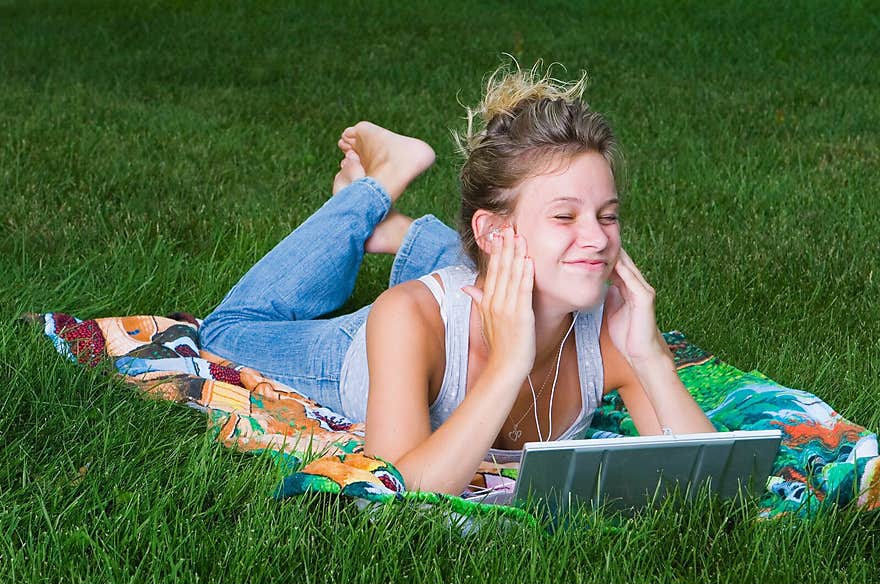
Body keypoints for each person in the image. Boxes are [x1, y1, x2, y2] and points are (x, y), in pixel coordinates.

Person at [199, 62, 716, 496]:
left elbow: (714, 486)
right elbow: (396, 490)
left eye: (607, 215)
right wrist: (509, 364)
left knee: (525, 266)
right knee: (224, 334)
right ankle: (373, 190)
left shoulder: (612, 329)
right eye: (565, 217)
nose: (600, 240)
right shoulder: (407, 318)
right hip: (358, 351)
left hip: (495, 258)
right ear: (492, 231)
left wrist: (651, 356)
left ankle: (399, 233)